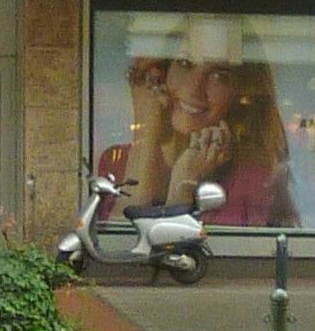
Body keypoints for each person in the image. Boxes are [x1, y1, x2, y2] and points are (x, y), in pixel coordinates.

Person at [99, 54, 299, 227]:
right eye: (185, 64)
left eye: (219, 76)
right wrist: (149, 134)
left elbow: (188, 261)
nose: (194, 89)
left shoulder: (250, 176)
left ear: (236, 93)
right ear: (162, 74)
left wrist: (184, 183)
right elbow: (119, 252)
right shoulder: (115, 160)